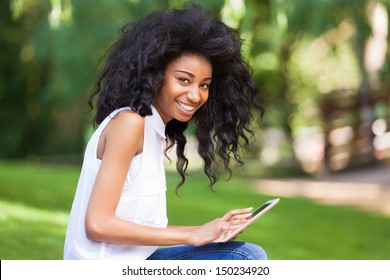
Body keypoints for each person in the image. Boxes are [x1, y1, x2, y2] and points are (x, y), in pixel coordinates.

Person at [63, 3, 266, 260]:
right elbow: (98, 224)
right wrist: (193, 234)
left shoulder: (153, 129)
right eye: (184, 79)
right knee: (246, 260)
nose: (195, 95)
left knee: (243, 255)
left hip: (141, 260)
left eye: (204, 85)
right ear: (155, 75)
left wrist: (214, 231)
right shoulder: (130, 123)